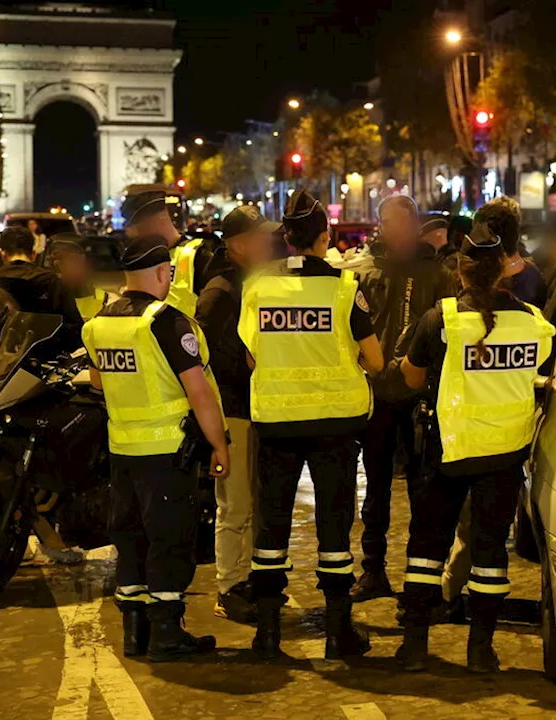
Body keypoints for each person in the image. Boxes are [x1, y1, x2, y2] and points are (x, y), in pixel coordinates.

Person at [394, 207, 555, 674]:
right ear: (504, 265)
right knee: (489, 554)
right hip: (504, 455)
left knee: (427, 548)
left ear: (461, 269)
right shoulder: (533, 322)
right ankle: (482, 649)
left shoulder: (440, 319)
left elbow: (409, 378)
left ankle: (416, 646)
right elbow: (539, 376)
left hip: (446, 452)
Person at [239, 190, 384, 660]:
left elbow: (249, 353)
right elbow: (376, 360)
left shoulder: (258, 285)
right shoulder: (344, 288)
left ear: (285, 237)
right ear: (324, 238)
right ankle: (339, 633)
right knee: (335, 529)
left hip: (277, 423)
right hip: (335, 425)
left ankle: (267, 635)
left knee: (272, 529)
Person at [82, 234, 230, 662]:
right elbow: (199, 392)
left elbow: (97, 381)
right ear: (164, 272)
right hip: (167, 453)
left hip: (122, 450)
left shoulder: (99, 323)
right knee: (169, 539)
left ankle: (135, 632)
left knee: (131, 539)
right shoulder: (167, 322)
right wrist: (219, 444)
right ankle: (167, 633)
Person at [352, 194, 457, 602]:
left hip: (418, 398)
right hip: (376, 395)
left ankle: (419, 577)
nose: (396, 230)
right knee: (376, 488)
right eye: (388, 222)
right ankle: (373, 569)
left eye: (403, 222)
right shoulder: (365, 272)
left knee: (421, 491)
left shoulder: (436, 274)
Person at [195, 205, 279, 623]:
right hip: (233, 413)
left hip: (254, 408)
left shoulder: (250, 283)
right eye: (261, 236)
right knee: (235, 505)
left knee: (250, 503)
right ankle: (229, 587)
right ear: (239, 245)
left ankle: (244, 579)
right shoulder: (220, 294)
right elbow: (209, 364)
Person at [0, 226, 83, 347]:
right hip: (44, 356)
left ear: (2, 253)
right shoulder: (50, 281)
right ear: (33, 254)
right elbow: (73, 325)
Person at [123, 188, 208, 318]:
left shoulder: (198, 254)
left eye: (142, 228)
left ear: (161, 218)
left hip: (189, 336)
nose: (139, 236)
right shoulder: (145, 257)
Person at [49, 234, 109, 321]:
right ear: (57, 266)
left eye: (80, 263)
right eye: (73, 262)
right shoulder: (47, 295)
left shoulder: (101, 296)